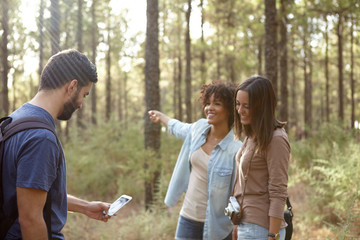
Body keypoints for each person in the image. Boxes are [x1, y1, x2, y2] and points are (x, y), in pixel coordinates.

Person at [2, 49, 111, 240]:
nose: (80, 105)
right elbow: (30, 219)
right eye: (84, 95)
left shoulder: (14, 119)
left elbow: (32, 194)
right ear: (72, 86)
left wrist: (85, 207)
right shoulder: (40, 138)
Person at [148, 81, 242, 240]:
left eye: (217, 104)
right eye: (208, 103)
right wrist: (162, 117)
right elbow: (178, 127)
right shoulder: (199, 128)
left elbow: (239, 194)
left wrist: (237, 225)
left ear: (230, 110)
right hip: (188, 218)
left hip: (218, 227)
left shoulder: (236, 149)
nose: (209, 108)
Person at [232, 76, 290, 240]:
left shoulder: (276, 138)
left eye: (246, 106)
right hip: (247, 224)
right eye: (238, 104)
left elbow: (278, 191)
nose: (239, 110)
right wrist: (236, 224)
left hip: (261, 230)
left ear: (261, 107)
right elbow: (243, 187)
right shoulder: (252, 135)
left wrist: (273, 235)